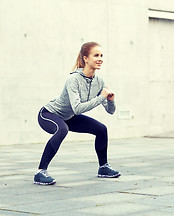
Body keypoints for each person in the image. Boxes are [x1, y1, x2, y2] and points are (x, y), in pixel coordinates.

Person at [34, 42, 121, 185]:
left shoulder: (99, 81)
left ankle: (103, 167)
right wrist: (101, 98)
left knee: (101, 129)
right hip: (49, 114)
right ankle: (40, 172)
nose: (100, 59)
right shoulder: (73, 79)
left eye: (101, 55)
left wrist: (110, 100)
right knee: (62, 129)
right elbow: (77, 109)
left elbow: (110, 111)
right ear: (86, 58)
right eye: (96, 55)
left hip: (69, 117)